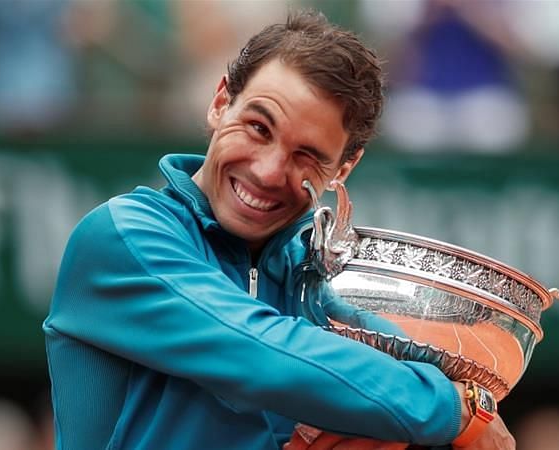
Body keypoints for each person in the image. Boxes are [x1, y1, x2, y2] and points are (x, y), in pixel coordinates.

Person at [43, 10, 514, 450]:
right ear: (220, 101)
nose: (269, 171)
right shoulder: (122, 237)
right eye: (257, 127)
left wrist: (469, 396)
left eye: (307, 155)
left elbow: (413, 356)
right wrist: (460, 409)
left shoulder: (308, 281)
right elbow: (263, 355)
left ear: (344, 168)